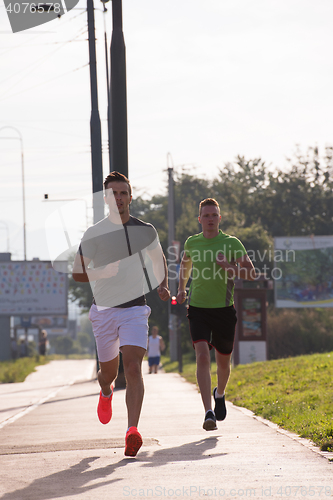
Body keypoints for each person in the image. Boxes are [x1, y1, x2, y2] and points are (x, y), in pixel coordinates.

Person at [72, 171, 170, 457]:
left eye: (123, 193)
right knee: (109, 373)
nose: (118, 198)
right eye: (113, 194)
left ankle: (132, 431)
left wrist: (163, 283)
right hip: (103, 311)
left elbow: (157, 257)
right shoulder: (94, 234)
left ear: (130, 197)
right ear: (105, 199)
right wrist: (101, 271)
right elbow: (78, 272)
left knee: (133, 367)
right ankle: (105, 391)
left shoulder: (145, 230)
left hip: (135, 309)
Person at [176, 198, 256, 431]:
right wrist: (181, 289)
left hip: (223, 309)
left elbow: (251, 274)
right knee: (202, 356)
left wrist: (229, 267)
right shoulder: (192, 242)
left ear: (219, 219)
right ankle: (207, 411)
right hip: (198, 308)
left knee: (223, 361)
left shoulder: (232, 243)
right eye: (206, 215)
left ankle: (219, 393)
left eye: (214, 215)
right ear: (199, 219)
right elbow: (185, 266)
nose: (210, 219)